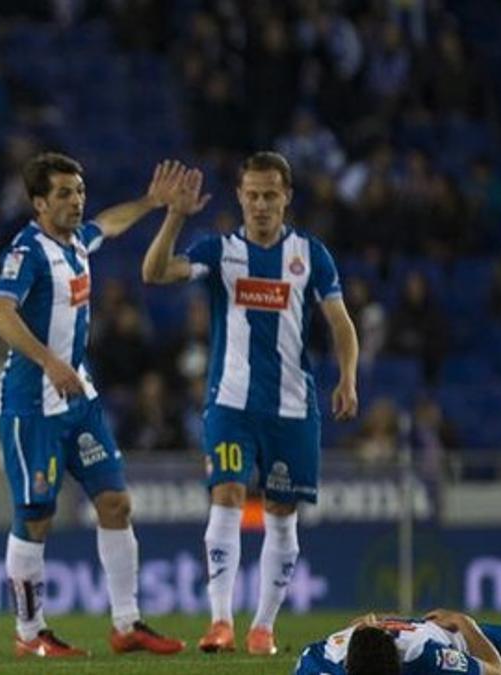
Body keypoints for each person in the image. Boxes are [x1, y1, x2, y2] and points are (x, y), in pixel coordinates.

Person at [141, 151, 359, 656]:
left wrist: (348, 377)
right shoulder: (219, 252)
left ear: (286, 198)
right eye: (252, 195)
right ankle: (220, 622)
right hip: (230, 403)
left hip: (291, 407)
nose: (260, 204)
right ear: (239, 196)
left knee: (282, 514)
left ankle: (263, 627)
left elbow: (342, 323)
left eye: (270, 195)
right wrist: (174, 215)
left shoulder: (311, 254)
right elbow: (154, 273)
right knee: (228, 497)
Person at [0, 152, 187, 658]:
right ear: (38, 203)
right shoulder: (27, 251)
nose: (76, 202)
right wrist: (50, 362)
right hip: (33, 404)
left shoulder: (77, 242)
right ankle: (30, 636)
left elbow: (108, 224)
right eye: (64, 194)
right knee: (36, 515)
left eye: (79, 191)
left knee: (116, 503)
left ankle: (127, 624)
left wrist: (151, 202)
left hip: (80, 400)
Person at [295, 609, 501, 675]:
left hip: (465, 640)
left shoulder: (427, 656)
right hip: (398, 628)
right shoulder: (316, 661)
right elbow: (358, 625)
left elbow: (497, 671)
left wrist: (465, 624)